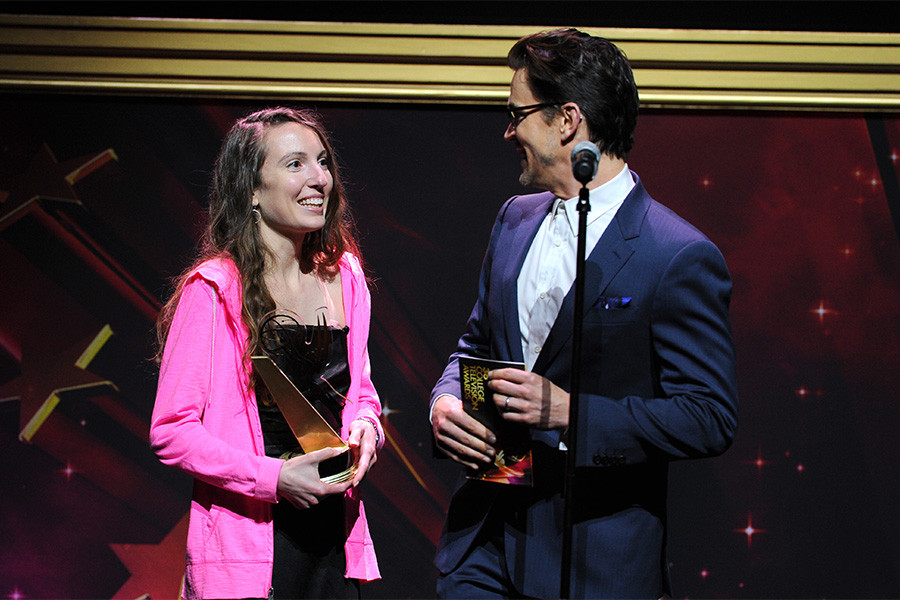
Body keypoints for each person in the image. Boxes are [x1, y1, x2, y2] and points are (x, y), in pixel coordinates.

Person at [430, 29, 738, 598]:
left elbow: (708, 416)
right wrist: (446, 399)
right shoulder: (514, 220)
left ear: (567, 120)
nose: (508, 131)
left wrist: (573, 414)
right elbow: (474, 346)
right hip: (484, 546)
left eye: (517, 114)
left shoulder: (675, 255)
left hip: (590, 563)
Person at [151, 107, 383, 600]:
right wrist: (274, 479)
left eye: (322, 162)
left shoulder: (346, 278)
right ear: (252, 190)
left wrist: (367, 428)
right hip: (250, 547)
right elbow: (172, 431)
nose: (319, 177)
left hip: (335, 542)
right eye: (296, 164)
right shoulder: (214, 290)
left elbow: (361, 392)